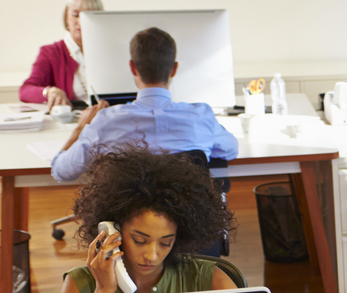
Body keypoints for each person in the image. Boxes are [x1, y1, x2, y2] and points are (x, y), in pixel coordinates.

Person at [57, 145, 292, 293]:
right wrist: (103, 292)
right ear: (113, 231)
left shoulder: (207, 277)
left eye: (166, 243)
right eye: (140, 240)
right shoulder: (81, 283)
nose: (152, 255)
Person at [51, 27, 238, 183]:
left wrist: (79, 130)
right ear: (174, 69)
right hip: (191, 225)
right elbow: (231, 149)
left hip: (128, 226)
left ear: (133, 68)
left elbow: (61, 171)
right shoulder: (201, 117)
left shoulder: (104, 123)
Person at [19, 0, 103, 108]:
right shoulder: (50, 52)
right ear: (66, 17)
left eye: (87, 15)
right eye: (75, 15)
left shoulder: (106, 51)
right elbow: (25, 91)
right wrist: (49, 92)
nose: (80, 21)